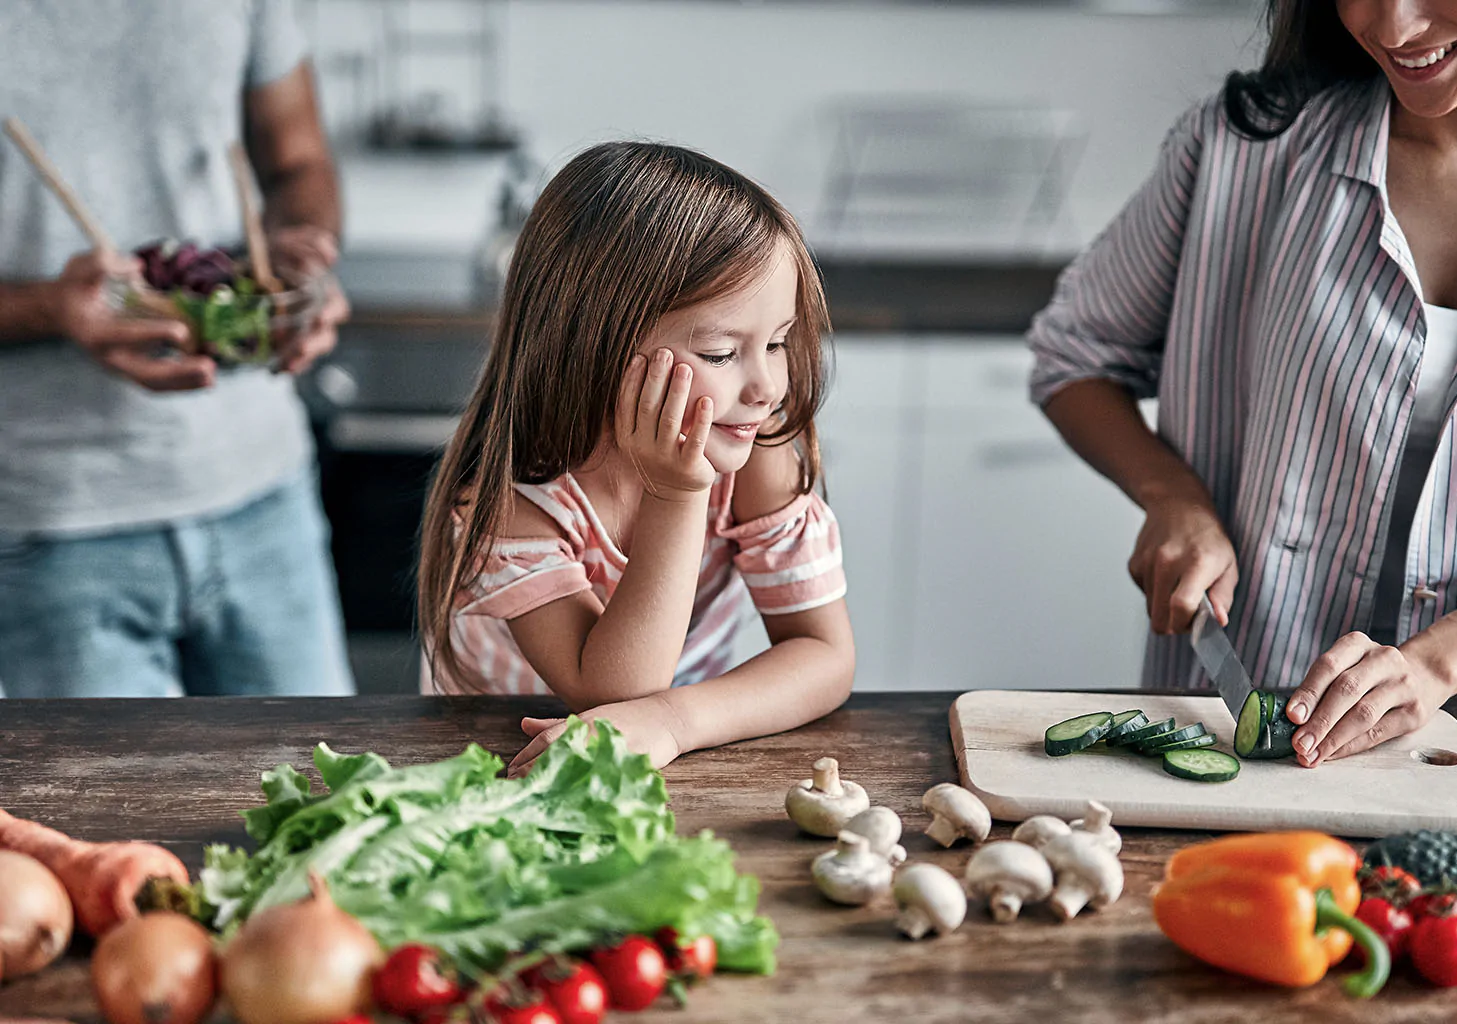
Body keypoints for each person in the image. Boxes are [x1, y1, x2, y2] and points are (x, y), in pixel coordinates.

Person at [1028, 0, 1457, 764]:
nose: (1393, 28)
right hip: (1235, 736)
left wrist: (1435, 665)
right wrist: (1174, 498)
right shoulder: (1242, 147)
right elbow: (1076, 356)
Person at [417, 142, 856, 772]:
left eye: (779, 342)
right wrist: (677, 495)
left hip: (672, 750)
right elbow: (614, 693)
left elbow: (823, 653)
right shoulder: (516, 499)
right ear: (593, 341)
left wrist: (677, 721)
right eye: (721, 353)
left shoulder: (758, 448)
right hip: (500, 763)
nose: (766, 387)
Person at [0, 1, 354, 697]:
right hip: (53, 526)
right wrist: (49, 308)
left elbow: (299, 160)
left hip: (265, 494)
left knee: (326, 798)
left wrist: (301, 257)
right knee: (97, 812)